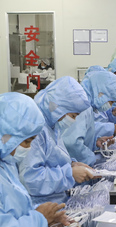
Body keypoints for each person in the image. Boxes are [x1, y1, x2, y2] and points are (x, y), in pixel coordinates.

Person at [0, 92, 73, 227]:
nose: (28, 148)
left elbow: (15, 208)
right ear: (6, 137)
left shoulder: (7, 163)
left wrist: (49, 218)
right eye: (27, 141)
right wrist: (40, 219)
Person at [19, 76, 98, 205]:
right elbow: (30, 179)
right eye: (72, 115)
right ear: (58, 107)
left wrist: (72, 164)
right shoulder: (36, 131)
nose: (73, 120)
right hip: (42, 207)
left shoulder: (52, 126)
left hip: (57, 201)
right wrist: (69, 174)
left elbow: (52, 158)